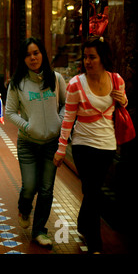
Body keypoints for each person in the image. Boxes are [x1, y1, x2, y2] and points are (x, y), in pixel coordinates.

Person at [53, 37, 127, 254]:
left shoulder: (116, 80)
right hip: (83, 146)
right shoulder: (76, 83)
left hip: (107, 145)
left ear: (103, 58)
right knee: (92, 190)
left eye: (92, 57)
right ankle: (95, 243)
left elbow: (123, 104)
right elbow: (68, 118)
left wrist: (123, 99)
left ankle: (83, 222)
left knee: (91, 191)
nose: (87, 61)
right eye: (85, 57)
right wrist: (61, 149)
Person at [5, 37, 66, 247]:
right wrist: (27, 126)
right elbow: (10, 112)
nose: (33, 58)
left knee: (47, 189)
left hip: (51, 143)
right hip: (28, 144)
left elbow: (66, 105)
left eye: (36, 53)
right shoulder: (17, 83)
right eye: (28, 54)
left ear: (43, 54)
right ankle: (24, 208)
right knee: (30, 186)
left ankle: (40, 230)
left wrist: (59, 121)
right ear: (23, 59)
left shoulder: (56, 78)